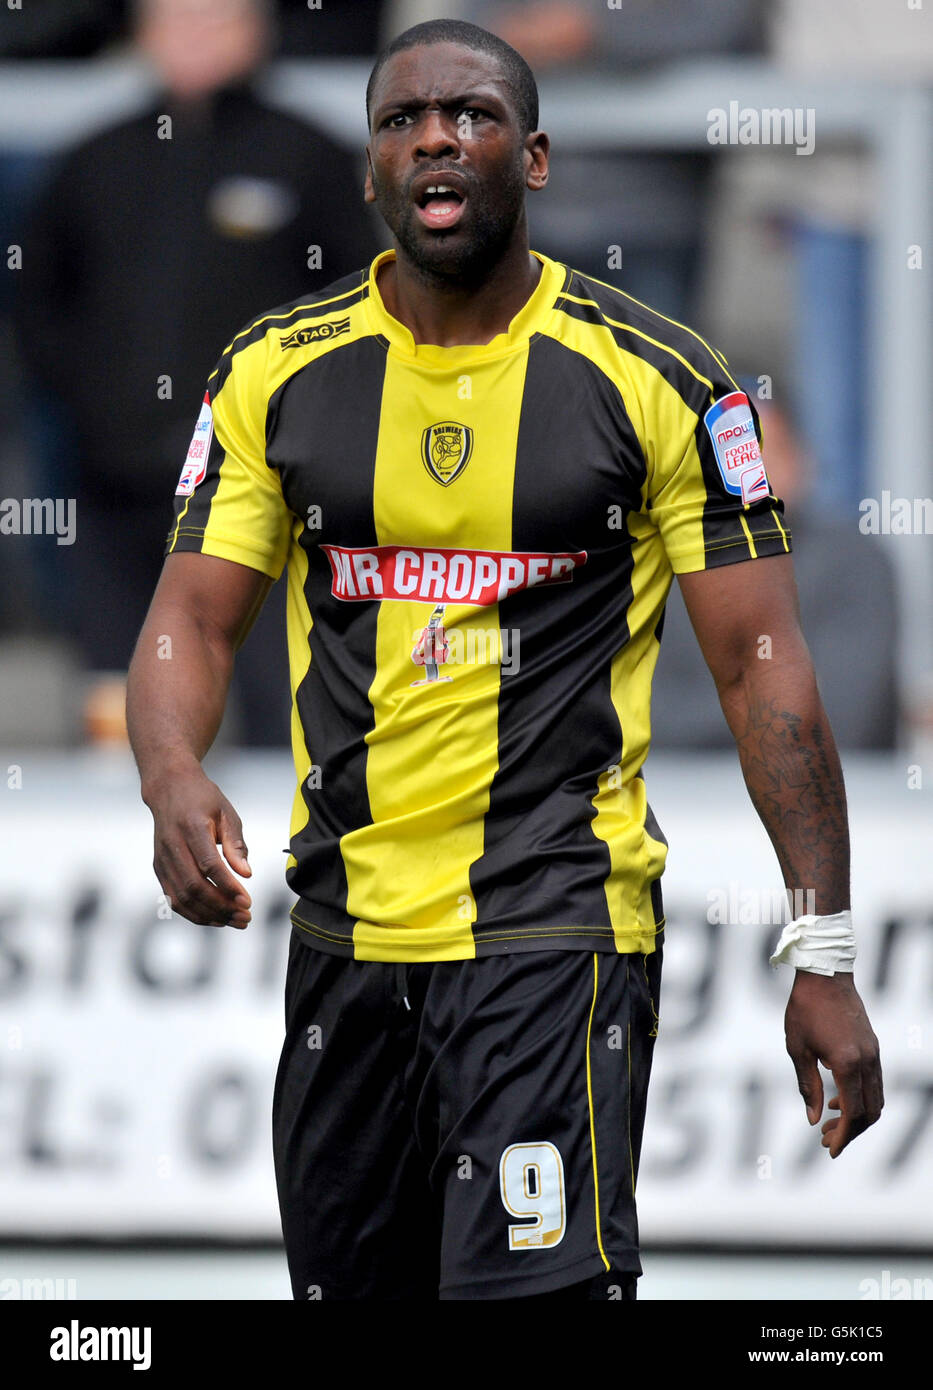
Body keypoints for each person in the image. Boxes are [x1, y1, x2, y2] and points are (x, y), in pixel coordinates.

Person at [126, 19, 883, 1301]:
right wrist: (165, 769)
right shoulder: (275, 374)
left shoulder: (658, 377)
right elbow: (189, 619)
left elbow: (765, 668)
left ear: (532, 159)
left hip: (556, 936)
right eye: (401, 118)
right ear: (372, 167)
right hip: (344, 944)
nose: (434, 134)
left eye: (471, 114)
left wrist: (822, 950)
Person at [14, 0, 378, 744]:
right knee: (121, 693)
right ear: (141, 32)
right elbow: (37, 301)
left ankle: (292, 854)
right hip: (116, 480)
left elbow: (364, 305)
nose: (193, 38)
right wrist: (91, 406)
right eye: (173, 19)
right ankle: (119, 848)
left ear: (259, 29)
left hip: (268, 487)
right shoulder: (95, 159)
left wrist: (300, 429)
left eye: (216, 19)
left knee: (287, 694)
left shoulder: (307, 154)